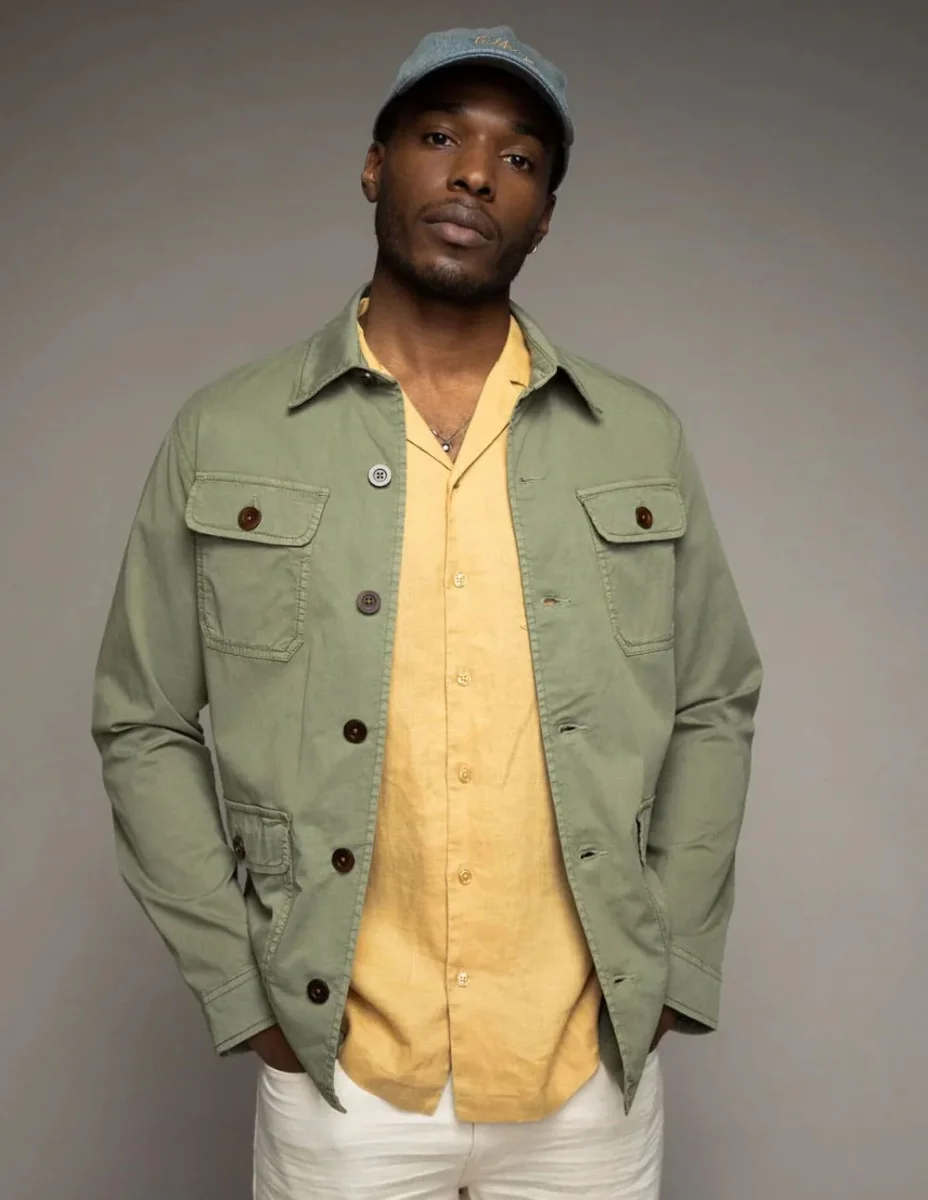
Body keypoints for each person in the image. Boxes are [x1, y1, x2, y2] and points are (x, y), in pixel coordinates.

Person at [91, 25, 762, 1200]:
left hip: (584, 1074)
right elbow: (142, 718)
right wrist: (242, 995)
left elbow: (715, 698)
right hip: (341, 1075)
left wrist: (674, 966)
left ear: (544, 216)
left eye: (520, 158)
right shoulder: (226, 431)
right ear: (374, 165)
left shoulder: (637, 437)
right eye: (441, 136)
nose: (475, 175)